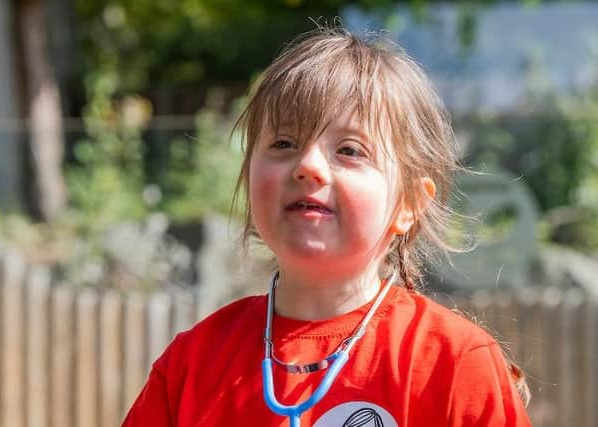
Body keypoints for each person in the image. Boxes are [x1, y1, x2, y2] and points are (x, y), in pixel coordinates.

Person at [122, 27, 531, 426]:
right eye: (283, 144)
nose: (307, 167)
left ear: (409, 204)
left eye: (350, 150)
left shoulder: (454, 363)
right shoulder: (190, 366)